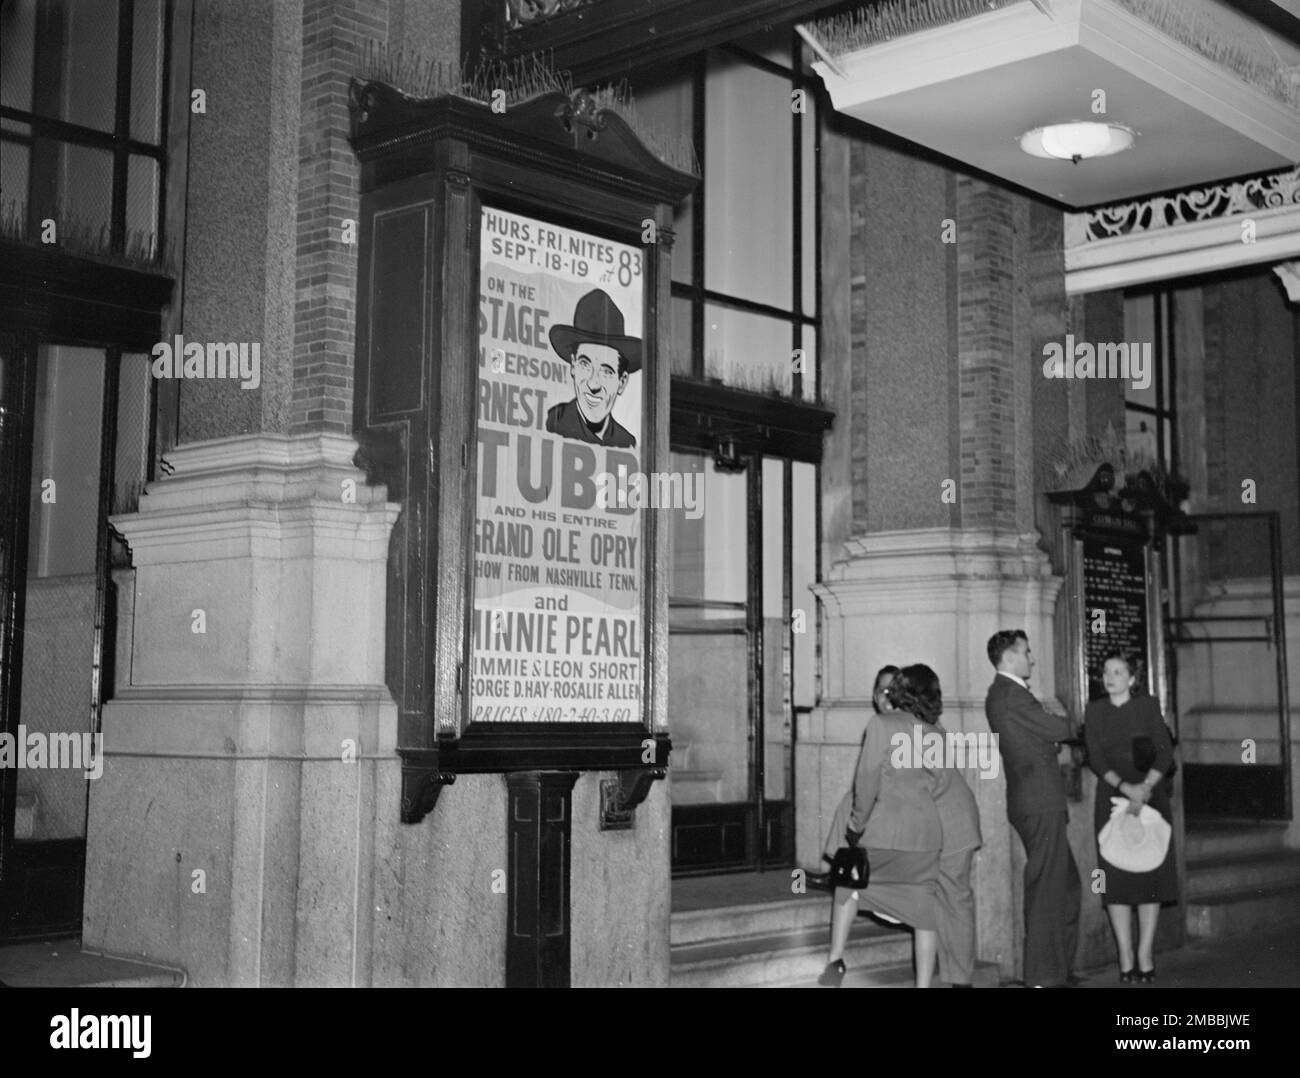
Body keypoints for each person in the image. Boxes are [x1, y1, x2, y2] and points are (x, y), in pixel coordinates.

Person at [819, 664, 949, 988]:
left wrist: (855, 826)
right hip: (926, 836)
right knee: (924, 912)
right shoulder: (936, 732)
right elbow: (938, 783)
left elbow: (865, 783)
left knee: (848, 885)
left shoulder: (881, 724)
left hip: (885, 829)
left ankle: (835, 960)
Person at [984, 629, 1080, 988]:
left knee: (1065, 885)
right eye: (1027, 651)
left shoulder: (1009, 695)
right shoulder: (1012, 695)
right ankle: (1042, 977)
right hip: (1039, 802)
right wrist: (1057, 717)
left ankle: (1058, 970)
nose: (1033, 658)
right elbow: (1060, 727)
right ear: (1009, 658)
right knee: (1046, 889)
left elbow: (1039, 738)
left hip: (1036, 799)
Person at [1084, 650, 1178, 983]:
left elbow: (1165, 751)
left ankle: (1145, 953)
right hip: (1112, 797)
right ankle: (1125, 954)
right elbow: (1095, 757)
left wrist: (1146, 788)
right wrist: (1126, 788)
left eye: (1118, 672)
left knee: (1150, 877)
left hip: (1151, 798)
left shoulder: (1148, 706)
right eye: (1106, 672)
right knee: (1117, 878)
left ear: (1132, 678)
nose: (1110, 678)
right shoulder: (1094, 711)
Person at [814, 665, 898, 970]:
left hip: (897, 822)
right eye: (880, 690)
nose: (886, 697)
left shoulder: (891, 726)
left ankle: (836, 864)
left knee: (853, 806)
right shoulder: (882, 725)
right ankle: (837, 865)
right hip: (881, 816)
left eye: (892, 690)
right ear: (874, 696)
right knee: (850, 803)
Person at [545, 288, 639, 448]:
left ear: (622, 382)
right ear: (573, 366)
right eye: (585, 364)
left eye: (607, 371)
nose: (593, 384)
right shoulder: (553, 424)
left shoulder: (626, 443)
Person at [931, 714, 982, 987]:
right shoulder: (925, 729)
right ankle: (953, 976)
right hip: (944, 826)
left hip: (954, 827)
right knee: (942, 901)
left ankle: (961, 979)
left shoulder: (924, 733)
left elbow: (928, 786)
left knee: (955, 899)